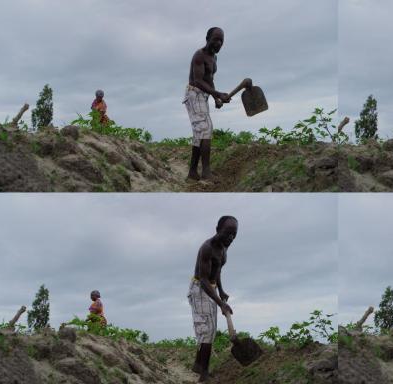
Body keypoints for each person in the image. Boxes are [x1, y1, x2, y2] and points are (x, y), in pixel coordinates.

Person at [188, 216, 237, 382]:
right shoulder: (207, 248)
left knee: (211, 331)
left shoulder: (224, 249)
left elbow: (216, 272)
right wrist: (221, 303)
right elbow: (203, 279)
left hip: (212, 288)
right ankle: (204, 375)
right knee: (206, 331)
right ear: (217, 229)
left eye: (234, 235)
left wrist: (221, 291)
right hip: (200, 289)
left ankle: (198, 365)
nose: (231, 238)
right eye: (228, 233)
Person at [184, 27, 231, 181]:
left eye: (221, 41)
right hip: (193, 93)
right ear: (207, 38)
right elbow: (198, 81)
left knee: (199, 134)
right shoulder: (199, 55)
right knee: (206, 128)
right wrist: (218, 94)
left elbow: (209, 80)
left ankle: (192, 172)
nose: (218, 43)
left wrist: (215, 98)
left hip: (203, 95)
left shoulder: (214, 59)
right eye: (216, 39)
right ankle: (206, 172)